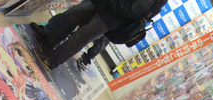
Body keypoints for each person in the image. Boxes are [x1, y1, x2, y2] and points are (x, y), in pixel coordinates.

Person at [30, 0, 167, 69]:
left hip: (112, 18)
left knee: (81, 37)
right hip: (102, 5)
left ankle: (52, 60)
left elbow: (132, 10)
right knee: (72, 15)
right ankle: (48, 36)